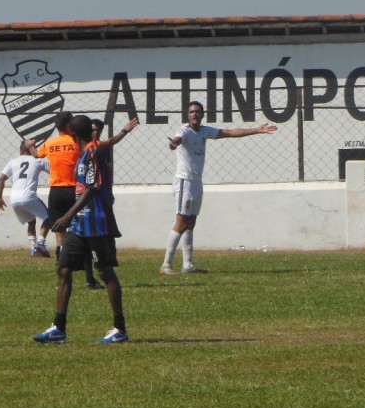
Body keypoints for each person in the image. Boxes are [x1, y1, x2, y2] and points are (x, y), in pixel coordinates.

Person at [32, 114, 138, 344]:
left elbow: (91, 188)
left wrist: (67, 215)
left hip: (97, 225)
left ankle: (120, 329)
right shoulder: (86, 151)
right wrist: (125, 130)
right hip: (80, 225)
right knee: (63, 269)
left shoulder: (90, 153)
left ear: (70, 132)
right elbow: (110, 142)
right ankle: (58, 328)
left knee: (105, 272)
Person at [160, 101, 277, 275]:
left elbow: (229, 132)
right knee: (181, 222)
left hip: (197, 182)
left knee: (190, 223)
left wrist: (257, 130)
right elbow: (177, 139)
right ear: (187, 115)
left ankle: (188, 265)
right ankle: (166, 265)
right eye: (191, 111)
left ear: (202, 114)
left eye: (198, 112)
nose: (194, 114)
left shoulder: (205, 131)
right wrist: (174, 143)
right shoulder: (184, 131)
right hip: (184, 181)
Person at [35, 111, 102, 290]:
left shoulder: (50, 144)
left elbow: (37, 154)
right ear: (69, 127)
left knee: (60, 235)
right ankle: (90, 279)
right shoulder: (76, 142)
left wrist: (30, 145)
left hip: (56, 191)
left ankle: (63, 280)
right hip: (74, 190)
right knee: (84, 233)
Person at [0, 139, 52, 256]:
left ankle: (33, 248)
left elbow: (1, 179)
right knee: (49, 218)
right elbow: (54, 170)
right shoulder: (37, 161)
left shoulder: (13, 162)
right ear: (32, 150)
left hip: (14, 199)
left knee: (31, 222)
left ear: (21, 151)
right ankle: (41, 243)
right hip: (29, 197)